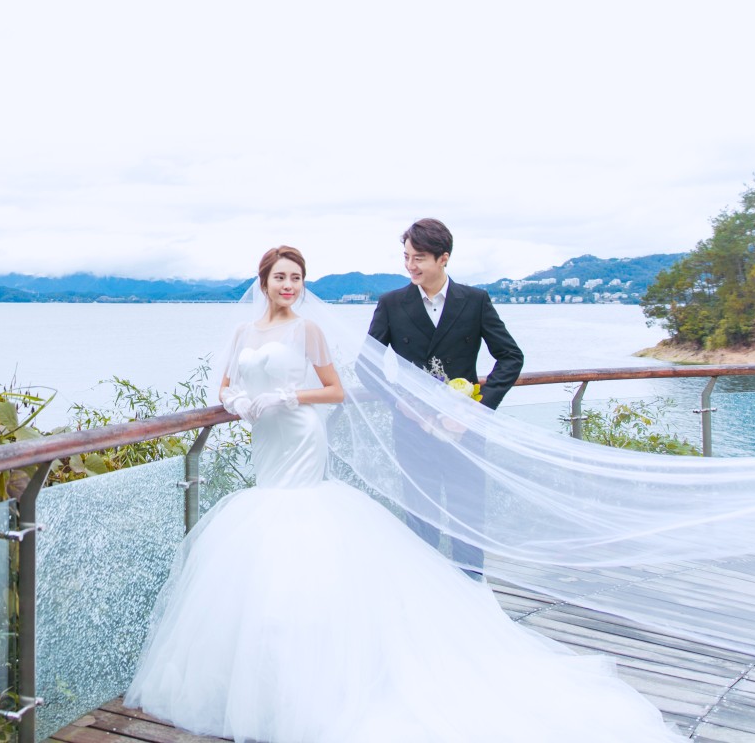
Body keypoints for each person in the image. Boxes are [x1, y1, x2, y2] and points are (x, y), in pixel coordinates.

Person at [124, 246, 678, 743]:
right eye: (281, 278)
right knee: (266, 540)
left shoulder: (309, 330)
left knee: (307, 531)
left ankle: (428, 632)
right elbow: (226, 385)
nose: (289, 285)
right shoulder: (244, 333)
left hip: (301, 434)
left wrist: (291, 397)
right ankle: (264, 675)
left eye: (296, 277)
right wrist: (238, 402)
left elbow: (336, 389)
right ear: (263, 282)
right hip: (265, 439)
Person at [369, 217, 522, 579]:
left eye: (419, 258)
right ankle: (425, 594)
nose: (410, 266)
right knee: (421, 520)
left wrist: (476, 410)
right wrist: (401, 403)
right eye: (406, 257)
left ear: (443, 258)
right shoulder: (392, 303)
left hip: (465, 430)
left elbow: (511, 357)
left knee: (468, 520)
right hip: (412, 431)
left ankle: (472, 594)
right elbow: (366, 365)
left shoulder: (475, 301)